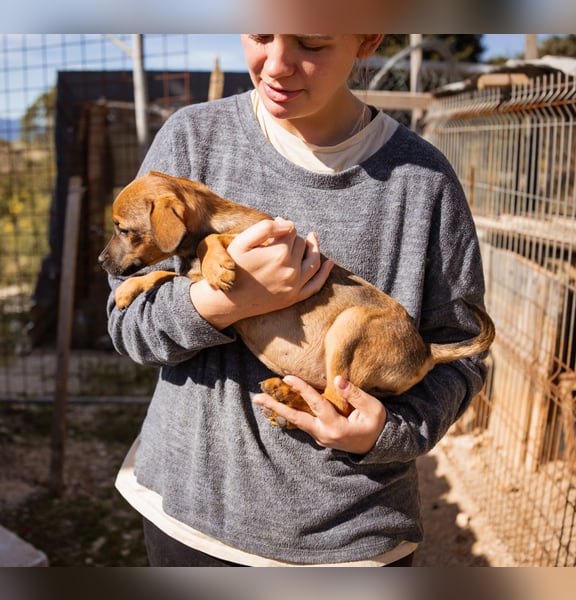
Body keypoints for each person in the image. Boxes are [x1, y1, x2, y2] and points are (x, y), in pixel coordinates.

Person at [107, 34, 488, 566]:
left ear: (369, 38)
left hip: (348, 538)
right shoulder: (192, 140)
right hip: (189, 518)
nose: (277, 65)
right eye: (260, 34)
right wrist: (223, 303)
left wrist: (386, 433)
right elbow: (129, 325)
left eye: (311, 43)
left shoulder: (423, 182)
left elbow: (462, 352)